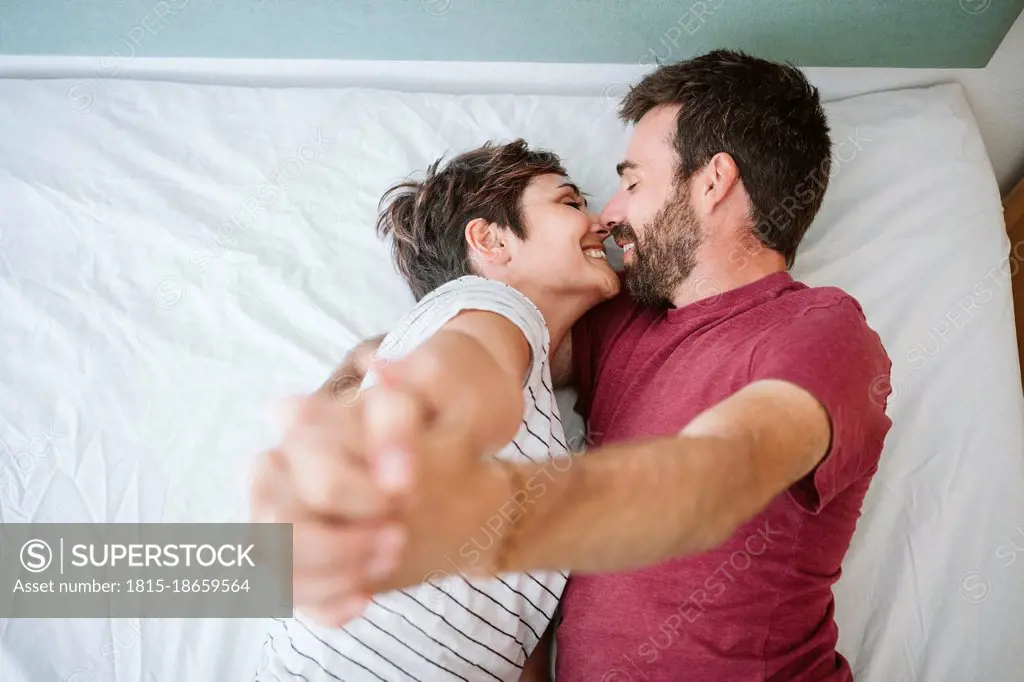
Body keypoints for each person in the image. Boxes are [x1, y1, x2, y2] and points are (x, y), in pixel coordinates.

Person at [252, 49, 894, 681]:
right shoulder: (618, 326)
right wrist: (371, 402)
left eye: (634, 182)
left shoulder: (820, 331)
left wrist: (505, 512)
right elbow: (478, 347)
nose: (609, 215)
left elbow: (719, 472)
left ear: (713, 181)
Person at [253, 139, 619, 681]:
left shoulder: (551, 443)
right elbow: (469, 363)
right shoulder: (497, 307)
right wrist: (414, 402)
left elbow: (522, 637)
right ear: (491, 239)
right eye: (570, 203)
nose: (602, 222)